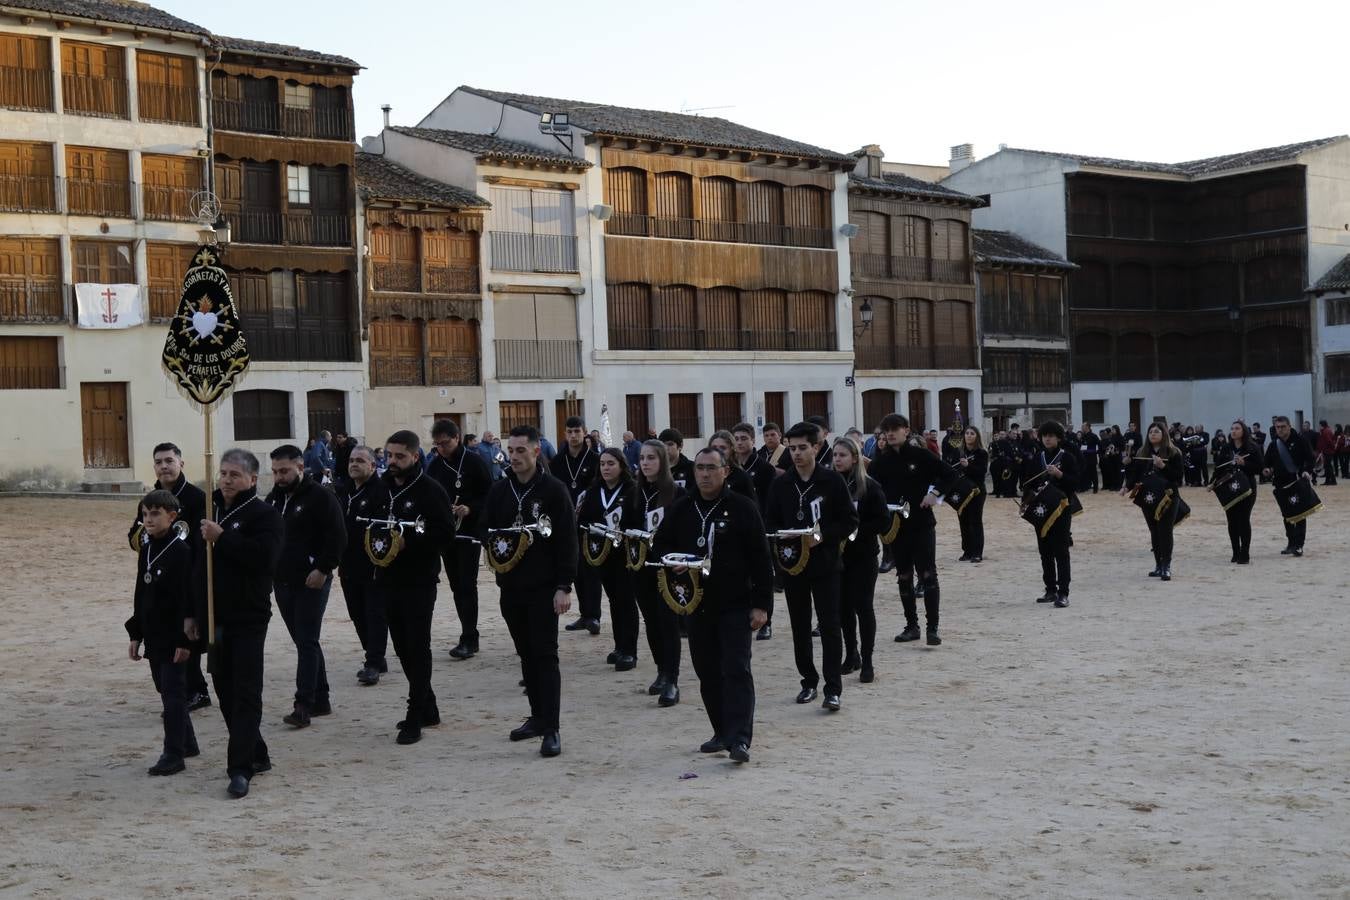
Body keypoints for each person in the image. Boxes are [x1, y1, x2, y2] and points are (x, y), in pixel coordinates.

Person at [653, 446, 771, 763]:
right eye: (700, 468)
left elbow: (761, 559)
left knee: (736, 669)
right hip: (696, 603)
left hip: (735, 602)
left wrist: (762, 605)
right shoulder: (682, 505)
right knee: (707, 671)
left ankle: (740, 739)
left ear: (725, 471)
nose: (704, 474)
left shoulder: (743, 508)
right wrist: (673, 561)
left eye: (711, 468)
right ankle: (721, 731)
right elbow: (660, 544)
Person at [482, 425, 578, 757]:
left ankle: (552, 728)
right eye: (511, 450)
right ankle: (537, 717)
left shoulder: (553, 489)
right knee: (525, 655)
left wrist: (564, 586)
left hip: (545, 588)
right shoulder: (500, 490)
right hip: (511, 587)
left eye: (521, 450)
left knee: (545, 656)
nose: (515, 456)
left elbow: (567, 540)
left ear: (536, 452)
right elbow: (487, 531)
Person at [196, 448, 283, 799]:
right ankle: (256, 752)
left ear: (251, 479)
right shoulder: (209, 510)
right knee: (223, 688)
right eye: (223, 473)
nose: (227, 480)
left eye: (235, 474)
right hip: (215, 618)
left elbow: (264, 559)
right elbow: (196, 567)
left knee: (246, 691)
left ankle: (240, 768)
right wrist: (194, 615)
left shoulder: (265, 515)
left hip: (248, 616)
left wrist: (223, 538)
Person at [765, 422, 857, 711]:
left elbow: (849, 521)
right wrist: (785, 536)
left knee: (830, 626)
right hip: (793, 567)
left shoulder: (832, 481)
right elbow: (769, 522)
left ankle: (833, 688)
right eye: (792, 448)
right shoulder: (781, 484)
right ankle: (808, 681)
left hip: (826, 564)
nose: (796, 454)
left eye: (803, 447)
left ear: (816, 447)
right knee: (800, 626)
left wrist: (822, 536)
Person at [373, 431, 454, 745]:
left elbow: (445, 533)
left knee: (417, 645)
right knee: (402, 646)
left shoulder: (431, 490)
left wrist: (410, 541)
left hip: (419, 579)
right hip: (386, 577)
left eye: (399, 456)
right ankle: (429, 706)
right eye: (389, 456)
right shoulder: (380, 488)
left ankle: (414, 714)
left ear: (415, 456)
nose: (392, 462)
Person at [127, 442, 211, 712]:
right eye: (159, 462)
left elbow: (201, 543)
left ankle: (196, 690)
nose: (164, 466)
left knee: (185, 628)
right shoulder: (150, 499)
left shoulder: (198, 498)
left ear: (181, 463)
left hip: (189, 569)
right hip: (157, 569)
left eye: (169, 461)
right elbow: (135, 538)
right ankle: (177, 692)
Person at [266, 445, 345, 729]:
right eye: (275, 471)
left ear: (301, 467)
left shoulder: (321, 497)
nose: (280, 476)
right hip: (282, 580)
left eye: (285, 470)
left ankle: (303, 705)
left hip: (312, 580)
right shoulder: (274, 498)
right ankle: (321, 698)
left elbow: (337, 536)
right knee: (303, 640)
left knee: (307, 640)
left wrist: (323, 568)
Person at [868, 414, 959, 647]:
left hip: (921, 524)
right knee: (904, 576)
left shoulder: (921, 455)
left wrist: (935, 493)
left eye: (895, 429)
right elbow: (872, 491)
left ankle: (933, 628)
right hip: (896, 526)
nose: (890, 433)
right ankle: (912, 625)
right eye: (886, 430)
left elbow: (949, 474)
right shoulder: (880, 461)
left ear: (906, 431)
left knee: (928, 575)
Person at [125, 489, 197, 776]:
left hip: (174, 635)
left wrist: (184, 639)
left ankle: (174, 753)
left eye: (155, 514)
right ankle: (188, 742)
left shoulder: (181, 551)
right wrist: (135, 633)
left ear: (172, 516)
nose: (148, 520)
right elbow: (141, 592)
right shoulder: (148, 548)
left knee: (173, 694)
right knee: (164, 689)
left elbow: (187, 598)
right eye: (144, 514)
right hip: (153, 633)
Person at [623, 439, 686, 706]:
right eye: (643, 458)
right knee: (651, 620)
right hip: (641, 566)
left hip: (667, 568)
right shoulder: (635, 492)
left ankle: (672, 679)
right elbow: (625, 524)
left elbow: (684, 530)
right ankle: (661, 670)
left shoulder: (676, 493)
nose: (645, 463)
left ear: (662, 461)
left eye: (651, 458)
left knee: (668, 621)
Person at [426, 419, 493, 659]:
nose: (441, 448)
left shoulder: (475, 462)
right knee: (456, 586)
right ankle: (467, 634)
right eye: (437, 444)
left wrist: (470, 508)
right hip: (447, 533)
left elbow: (490, 493)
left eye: (445, 443)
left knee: (467, 584)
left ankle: (469, 637)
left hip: (470, 532)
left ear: (457, 438)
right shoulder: (433, 466)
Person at [831, 437, 888, 683]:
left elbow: (883, 521)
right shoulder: (830, 484)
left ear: (855, 457)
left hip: (863, 556)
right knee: (843, 608)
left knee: (863, 607)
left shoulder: (870, 486)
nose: (837, 459)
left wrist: (855, 530)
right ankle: (851, 653)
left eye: (842, 455)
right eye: (834, 455)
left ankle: (868, 659)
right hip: (837, 557)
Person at [576, 448, 637, 673]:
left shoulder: (632, 490)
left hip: (626, 556)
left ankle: (630, 650)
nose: (606, 468)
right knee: (613, 601)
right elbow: (582, 520)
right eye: (602, 464)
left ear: (621, 465)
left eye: (611, 463)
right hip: (601, 554)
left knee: (626, 601)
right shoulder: (593, 491)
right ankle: (619, 646)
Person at [337, 446, 391, 684]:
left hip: (373, 564)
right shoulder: (343, 490)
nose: (354, 464)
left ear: (372, 465)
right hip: (348, 564)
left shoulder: (381, 491)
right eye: (351, 460)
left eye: (360, 460)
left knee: (374, 613)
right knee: (357, 613)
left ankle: (373, 663)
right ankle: (376, 656)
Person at [551, 416, 602, 635]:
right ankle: (584, 614)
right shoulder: (557, 461)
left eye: (577, 431)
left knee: (590, 570)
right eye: (569, 432)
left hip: (589, 522)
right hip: (565, 522)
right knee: (575, 569)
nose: (573, 436)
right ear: (565, 434)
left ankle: (593, 616)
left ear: (585, 433)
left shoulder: (595, 460)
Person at [1122, 423, 1183, 581]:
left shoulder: (1173, 452)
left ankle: (1166, 566)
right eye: (1150, 432)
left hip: (1168, 496)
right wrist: (1127, 486)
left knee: (1165, 530)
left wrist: (1162, 466)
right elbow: (1135, 475)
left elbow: (1177, 477)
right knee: (1154, 531)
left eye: (1157, 431)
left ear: (1164, 434)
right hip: (1148, 497)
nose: (1153, 434)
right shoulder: (1143, 453)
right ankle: (1158, 564)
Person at [1029, 422, 1077, 607]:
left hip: (1061, 509)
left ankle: (1063, 592)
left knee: (1061, 551)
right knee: (1045, 551)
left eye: (1051, 435)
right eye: (1044, 435)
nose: (1047, 439)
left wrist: (1059, 475)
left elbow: (1075, 484)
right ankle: (1050, 589)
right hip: (1041, 510)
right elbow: (1028, 482)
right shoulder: (1037, 458)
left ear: (1058, 438)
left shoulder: (1067, 458)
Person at [1210, 421, 1263, 564]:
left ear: (1244, 431)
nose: (1234, 431)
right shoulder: (1226, 448)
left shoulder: (1252, 448)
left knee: (1243, 519)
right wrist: (1212, 481)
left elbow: (1259, 467)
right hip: (1229, 487)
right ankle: (1235, 552)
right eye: (1232, 428)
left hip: (1247, 487)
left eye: (1237, 428)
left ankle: (1245, 553)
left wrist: (1244, 464)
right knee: (1231, 520)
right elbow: (1219, 467)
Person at [1263, 415, 1316, 556]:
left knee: (1300, 513)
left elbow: (1310, 459)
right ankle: (1291, 543)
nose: (1279, 430)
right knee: (1286, 514)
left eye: (1282, 427)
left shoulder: (1300, 440)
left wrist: (1306, 471)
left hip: (1297, 481)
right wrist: (1267, 470)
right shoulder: (1274, 444)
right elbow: (1267, 462)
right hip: (1280, 483)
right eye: (1277, 427)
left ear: (1289, 426)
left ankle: (1299, 545)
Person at [955, 426, 988, 563]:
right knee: (963, 521)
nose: (969, 436)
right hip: (961, 491)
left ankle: (977, 552)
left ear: (977, 436)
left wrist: (968, 466)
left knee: (975, 521)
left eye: (972, 434)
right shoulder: (959, 451)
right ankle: (967, 551)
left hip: (977, 491)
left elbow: (981, 473)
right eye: (967, 433)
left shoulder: (982, 453)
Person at [1079, 422, 1100, 493]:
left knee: (1093, 473)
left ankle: (1095, 488)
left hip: (1091, 458)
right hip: (1084, 458)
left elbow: (1098, 446)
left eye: (1083, 426)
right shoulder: (1083, 436)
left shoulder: (1094, 436)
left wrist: (1091, 451)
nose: (1082, 428)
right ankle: (1085, 487)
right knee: (1085, 473)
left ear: (1087, 427)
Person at [1316, 420, 1337, 486]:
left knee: (1328, 466)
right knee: (1327, 466)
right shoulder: (1327, 430)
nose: (1319, 426)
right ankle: (1328, 481)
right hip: (1328, 451)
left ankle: (1333, 481)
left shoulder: (1325, 431)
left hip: (1327, 451)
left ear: (1322, 425)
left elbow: (1329, 441)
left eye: (1319, 425)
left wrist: (1330, 448)